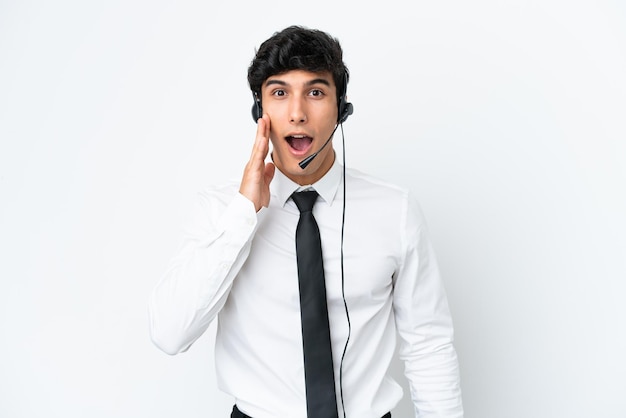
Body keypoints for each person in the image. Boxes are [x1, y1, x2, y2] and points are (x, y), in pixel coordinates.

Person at [149, 25, 463, 418]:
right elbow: (169, 333)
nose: (297, 113)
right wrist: (244, 214)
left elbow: (429, 344)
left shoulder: (395, 210)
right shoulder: (219, 210)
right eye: (279, 94)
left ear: (341, 108)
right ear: (259, 111)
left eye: (315, 92)